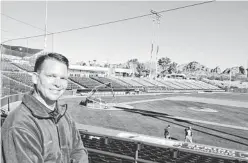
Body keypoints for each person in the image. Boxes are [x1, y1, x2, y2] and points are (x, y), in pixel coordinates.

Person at [1, 53, 88, 163]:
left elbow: (79, 151)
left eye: (63, 78)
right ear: (35, 78)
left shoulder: (64, 115)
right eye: (51, 76)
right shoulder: (20, 124)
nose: (58, 83)